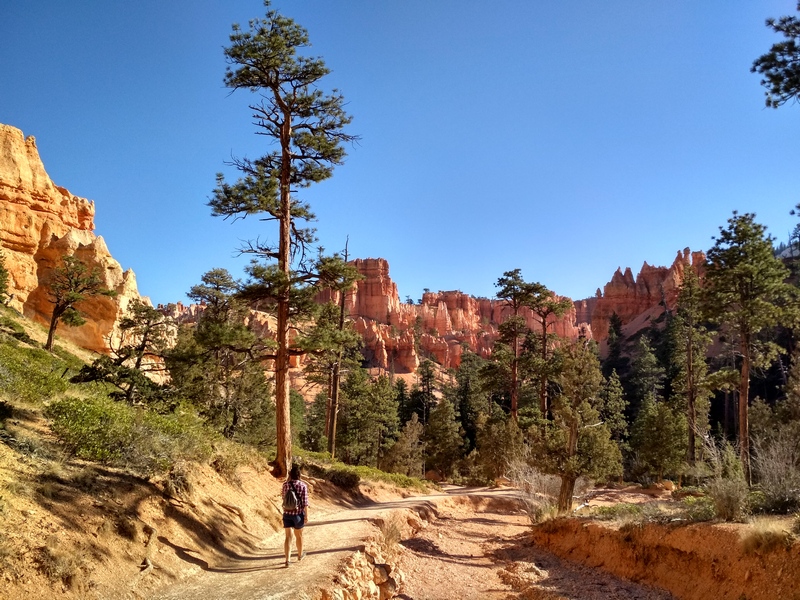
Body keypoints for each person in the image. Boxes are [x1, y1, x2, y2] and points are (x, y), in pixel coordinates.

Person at [281, 463, 309, 567]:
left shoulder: (285, 485)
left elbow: (284, 498)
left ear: (290, 475)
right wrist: (306, 516)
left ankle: (287, 560)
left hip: (287, 513)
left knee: (288, 537)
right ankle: (300, 555)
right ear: (299, 475)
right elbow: (305, 503)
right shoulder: (303, 486)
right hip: (298, 514)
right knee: (299, 536)